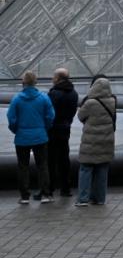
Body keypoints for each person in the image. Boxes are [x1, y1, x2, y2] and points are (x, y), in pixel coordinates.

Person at [7, 70, 54, 203]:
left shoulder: (16, 99)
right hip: (40, 136)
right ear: (35, 82)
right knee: (42, 166)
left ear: (23, 82)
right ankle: (45, 194)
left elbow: (11, 119)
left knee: (23, 167)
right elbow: (50, 116)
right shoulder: (44, 98)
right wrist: (44, 128)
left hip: (22, 137)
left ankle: (24, 196)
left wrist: (16, 130)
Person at [75, 76, 117, 207]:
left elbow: (80, 116)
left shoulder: (90, 103)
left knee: (85, 169)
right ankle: (100, 199)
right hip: (107, 140)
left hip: (90, 142)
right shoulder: (112, 101)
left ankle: (83, 198)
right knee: (102, 170)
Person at [47, 67, 79, 199]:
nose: (52, 79)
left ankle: (49, 188)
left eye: (53, 77)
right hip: (66, 128)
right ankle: (65, 188)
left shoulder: (54, 93)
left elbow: (49, 113)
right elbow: (72, 112)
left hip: (53, 130)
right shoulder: (74, 93)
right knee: (64, 159)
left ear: (58, 78)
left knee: (50, 160)